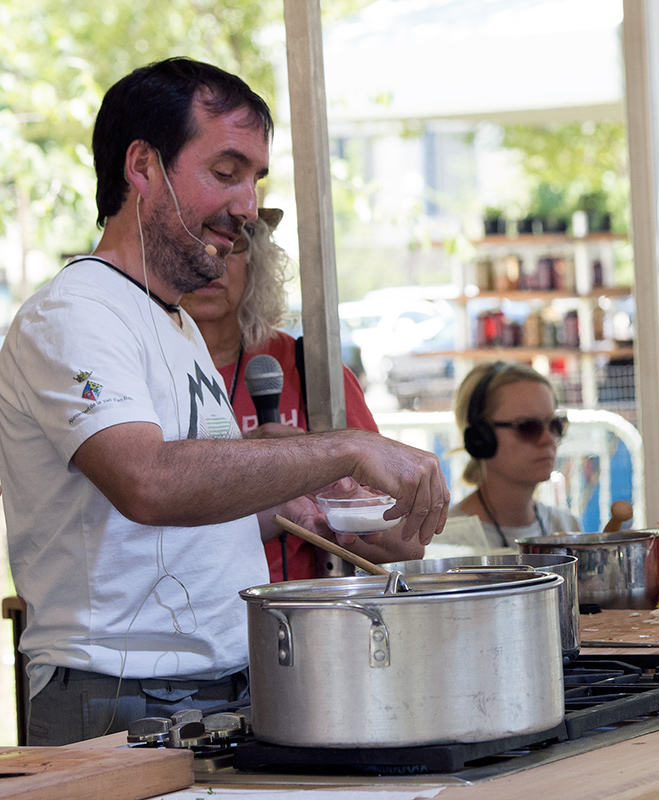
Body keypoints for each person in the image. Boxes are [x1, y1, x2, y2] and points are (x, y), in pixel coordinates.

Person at [0, 58, 448, 745]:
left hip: (215, 685)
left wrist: (328, 512)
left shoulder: (175, 324)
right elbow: (148, 481)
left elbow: (204, 509)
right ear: (143, 166)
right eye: (226, 171)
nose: (247, 206)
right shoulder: (76, 313)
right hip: (123, 697)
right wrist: (347, 446)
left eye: (255, 180)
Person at [180, 208, 423, 581]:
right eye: (194, 240)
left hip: (309, 622)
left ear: (257, 263)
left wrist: (333, 506)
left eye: (233, 241)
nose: (213, 256)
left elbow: (408, 543)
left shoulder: (311, 371)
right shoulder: (138, 373)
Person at [448, 361, 580, 547]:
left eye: (555, 424)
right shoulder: (446, 541)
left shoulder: (567, 528)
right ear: (481, 437)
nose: (548, 439)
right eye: (528, 427)